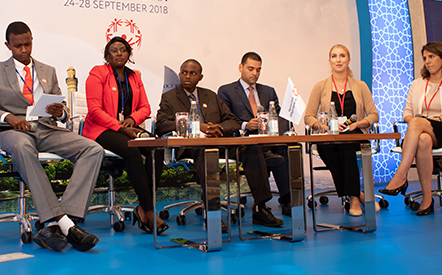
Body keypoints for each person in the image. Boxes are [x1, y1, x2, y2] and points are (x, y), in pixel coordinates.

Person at [0, 21, 104, 252]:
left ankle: (63, 220)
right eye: (18, 45)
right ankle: (63, 224)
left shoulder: (47, 71)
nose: (24, 50)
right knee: (22, 147)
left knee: (93, 149)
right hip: (11, 131)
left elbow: (60, 107)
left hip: (45, 127)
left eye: (28, 44)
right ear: (8, 45)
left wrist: (61, 113)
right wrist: (7, 116)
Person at [155, 59, 283, 228]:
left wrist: (218, 128)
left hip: (219, 143)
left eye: (193, 73)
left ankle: (260, 208)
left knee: (251, 148)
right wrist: (199, 127)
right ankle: (212, 212)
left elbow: (233, 121)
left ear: (200, 77)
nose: (187, 76)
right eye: (184, 72)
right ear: (179, 75)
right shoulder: (169, 97)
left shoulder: (210, 95)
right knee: (205, 152)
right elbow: (161, 125)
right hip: (191, 148)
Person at [380, 41, 442, 216]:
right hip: (422, 132)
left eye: (432, 57)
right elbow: (407, 113)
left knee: (417, 122)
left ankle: (401, 175)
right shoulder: (417, 84)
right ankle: (427, 198)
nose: (428, 61)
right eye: (425, 58)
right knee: (422, 138)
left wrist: (441, 118)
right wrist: (415, 122)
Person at [83, 36, 166, 234]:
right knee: (132, 150)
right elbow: (94, 111)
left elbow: (145, 107)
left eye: (123, 50)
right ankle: (150, 211)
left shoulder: (135, 76)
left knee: (159, 149)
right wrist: (120, 127)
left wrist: (131, 119)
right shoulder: (98, 73)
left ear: (129, 54)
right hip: (100, 129)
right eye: (114, 50)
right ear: (107, 54)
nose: (119, 53)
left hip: (127, 128)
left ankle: (142, 207)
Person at [304, 44, 380, 216]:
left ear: (348, 60)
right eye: (334, 56)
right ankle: (358, 193)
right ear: (329, 61)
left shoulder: (360, 86)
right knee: (323, 146)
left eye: (342, 56)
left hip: (354, 133)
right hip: (329, 134)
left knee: (346, 143)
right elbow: (308, 117)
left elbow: (374, 115)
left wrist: (357, 124)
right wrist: (323, 126)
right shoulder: (320, 86)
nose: (338, 60)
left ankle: (353, 198)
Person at [217, 52, 293, 220]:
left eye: (258, 70)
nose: (254, 74)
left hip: (268, 138)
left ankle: (287, 200)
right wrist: (245, 125)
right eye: (251, 69)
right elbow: (225, 120)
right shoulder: (226, 91)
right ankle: (261, 206)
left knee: (285, 146)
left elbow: (280, 117)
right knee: (257, 150)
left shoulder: (269, 92)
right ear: (240, 67)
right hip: (243, 141)